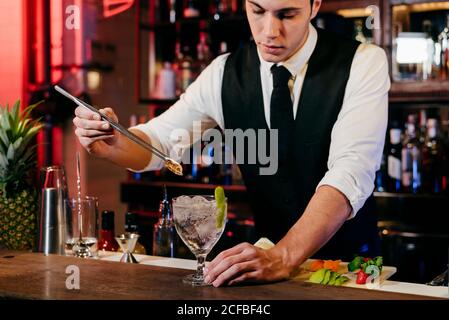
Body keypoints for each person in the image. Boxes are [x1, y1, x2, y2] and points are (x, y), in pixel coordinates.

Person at [73, 0, 389, 287]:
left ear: (314, 5)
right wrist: (114, 140)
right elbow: (161, 142)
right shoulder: (225, 72)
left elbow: (351, 170)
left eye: (287, 15)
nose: (270, 31)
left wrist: (284, 255)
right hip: (267, 272)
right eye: (257, 11)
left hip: (349, 270)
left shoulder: (362, 62)